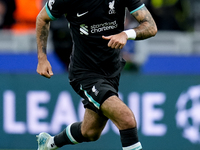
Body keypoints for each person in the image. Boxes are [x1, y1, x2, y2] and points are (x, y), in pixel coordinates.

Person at [36, 0, 157, 150]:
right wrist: (42, 59)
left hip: (111, 71)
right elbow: (43, 17)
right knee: (126, 118)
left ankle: (49, 143)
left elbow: (151, 26)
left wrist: (126, 34)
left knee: (90, 132)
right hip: (85, 73)